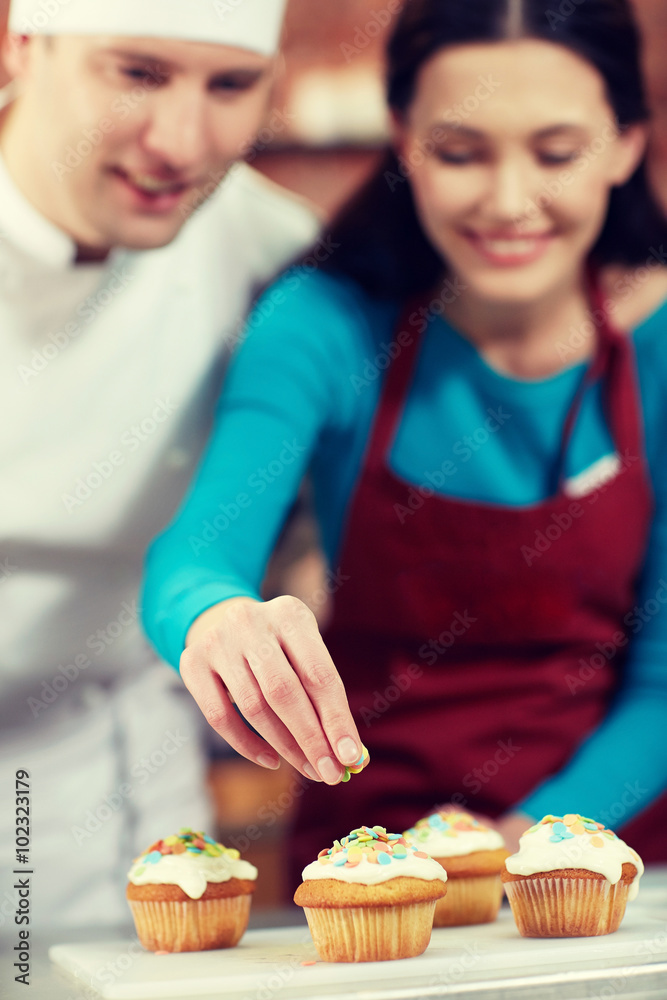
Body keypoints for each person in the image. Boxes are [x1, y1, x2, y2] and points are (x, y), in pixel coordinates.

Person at [142, 0, 667, 880]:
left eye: (556, 152)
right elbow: (196, 553)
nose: (508, 202)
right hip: (366, 858)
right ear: (403, 139)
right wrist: (216, 619)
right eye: (459, 152)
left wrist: (520, 845)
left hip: (606, 866)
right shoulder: (324, 326)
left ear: (624, 144)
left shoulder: (655, 351)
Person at [0, 0, 320, 930]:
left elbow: (289, 526)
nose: (180, 142)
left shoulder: (276, 255)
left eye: (229, 85)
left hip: (99, 784)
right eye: (136, 72)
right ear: (21, 41)